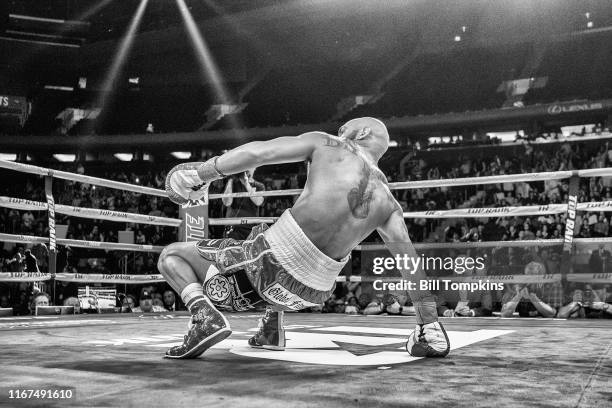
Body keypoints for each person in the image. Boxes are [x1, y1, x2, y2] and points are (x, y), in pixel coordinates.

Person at [160, 117, 450, 359]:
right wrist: (430, 323)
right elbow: (409, 263)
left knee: (171, 255)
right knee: (262, 233)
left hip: (266, 267)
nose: (339, 134)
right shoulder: (389, 203)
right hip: (311, 293)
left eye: (344, 129)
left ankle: (204, 318)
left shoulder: (329, 144)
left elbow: (260, 152)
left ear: (361, 133)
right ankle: (271, 329)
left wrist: (199, 174)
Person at [222, 168, 265, 240]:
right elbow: (227, 203)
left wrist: (246, 184)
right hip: (233, 227)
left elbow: (259, 202)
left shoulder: (259, 185)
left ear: (255, 168)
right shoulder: (232, 183)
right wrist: (230, 180)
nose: (247, 169)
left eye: (250, 166)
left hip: (251, 228)